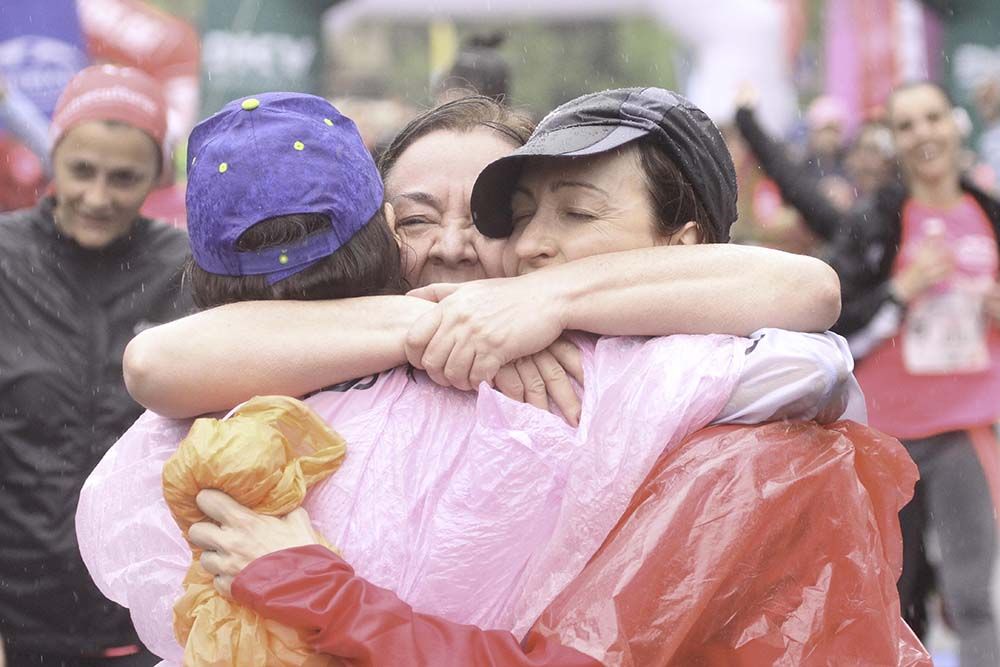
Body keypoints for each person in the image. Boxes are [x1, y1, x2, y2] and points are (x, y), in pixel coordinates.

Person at [79, 89, 928, 666]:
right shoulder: (319, 376)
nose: (454, 245)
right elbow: (157, 362)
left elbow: (810, 306)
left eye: (492, 218)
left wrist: (549, 301)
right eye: (415, 217)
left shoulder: (650, 385)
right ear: (374, 240)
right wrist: (432, 323)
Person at [742, 80, 1000, 666]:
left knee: (973, 599)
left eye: (932, 118)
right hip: (887, 438)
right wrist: (900, 292)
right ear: (896, 141)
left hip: (966, 433)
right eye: (907, 125)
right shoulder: (878, 219)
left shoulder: (986, 213)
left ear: (953, 125)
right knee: (891, 602)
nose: (923, 134)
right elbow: (829, 318)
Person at [0, 65, 191, 666]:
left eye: (124, 177)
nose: (98, 197)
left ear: (158, 177)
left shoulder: (187, 271)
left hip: (148, 624)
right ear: (52, 157)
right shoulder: (6, 260)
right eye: (82, 170)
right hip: (18, 617)